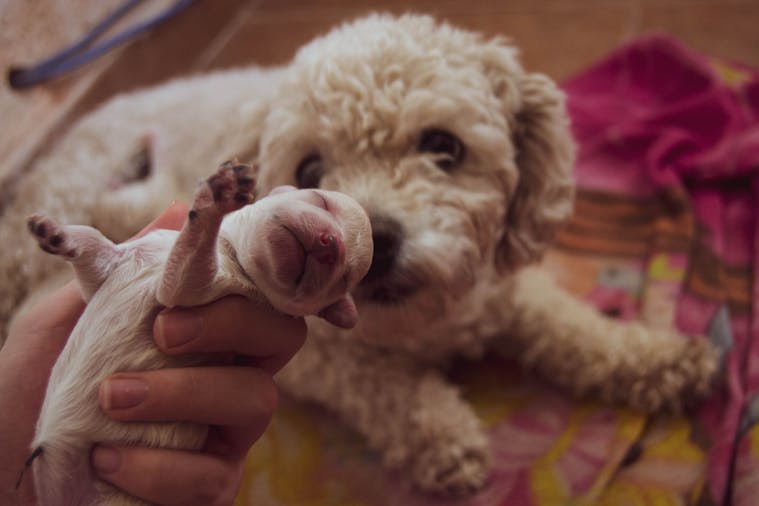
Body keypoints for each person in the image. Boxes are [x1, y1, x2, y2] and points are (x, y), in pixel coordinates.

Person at [0, 202, 307, 505]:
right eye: (322, 204)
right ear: (281, 192)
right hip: (49, 458)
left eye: (348, 277)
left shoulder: (239, 290)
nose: (328, 243)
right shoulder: (179, 239)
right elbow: (111, 266)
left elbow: (169, 282)